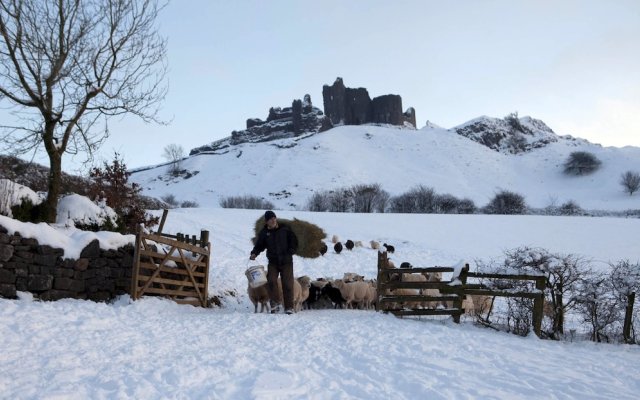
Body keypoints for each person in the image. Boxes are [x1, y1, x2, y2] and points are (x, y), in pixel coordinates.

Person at [250, 210, 298, 314]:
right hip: (273, 262)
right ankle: (275, 304)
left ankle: (289, 307)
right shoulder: (264, 233)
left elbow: (293, 240)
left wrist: (291, 249)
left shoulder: (285, 229)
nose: (273, 220)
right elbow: (259, 245)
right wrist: (254, 253)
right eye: (270, 219)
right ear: (266, 221)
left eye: (274, 218)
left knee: (287, 284)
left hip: (286, 261)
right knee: (271, 280)